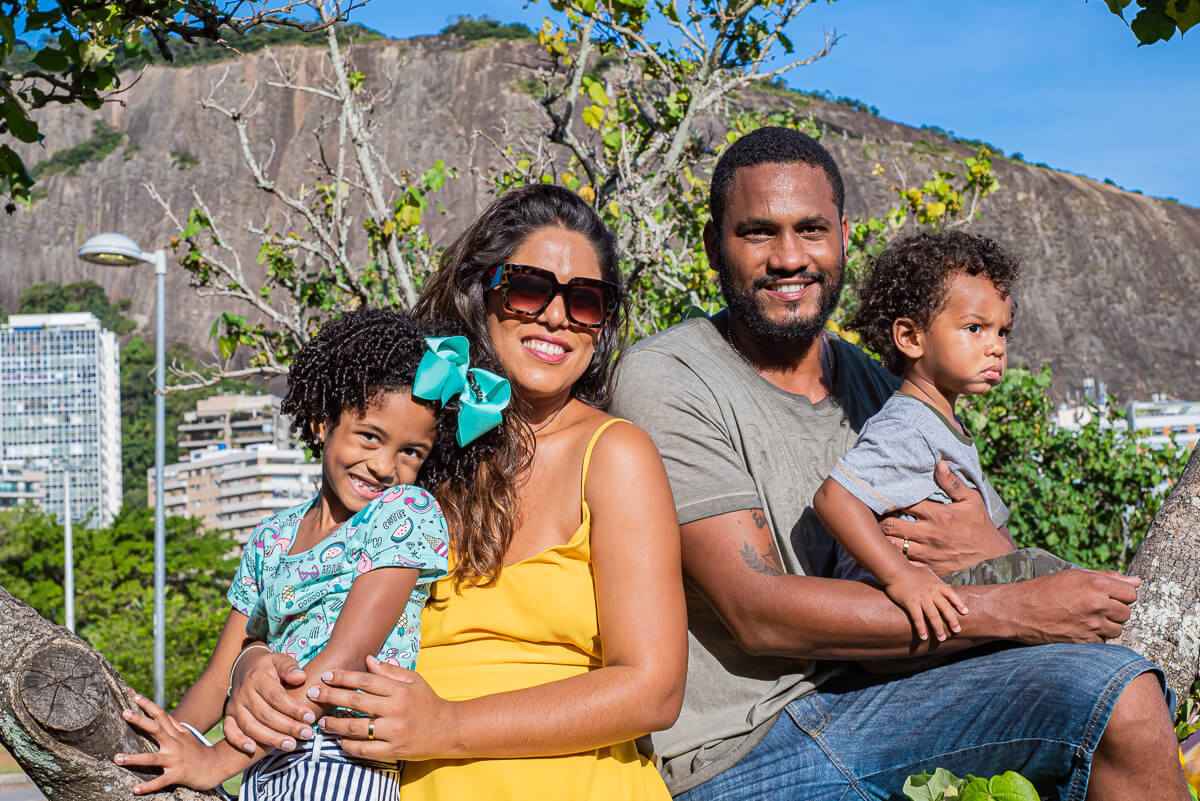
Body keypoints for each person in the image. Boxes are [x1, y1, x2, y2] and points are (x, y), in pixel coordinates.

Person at [609, 126, 1187, 800]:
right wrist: (1014, 608)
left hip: (880, 690)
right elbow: (757, 610)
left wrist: (987, 547)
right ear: (715, 246)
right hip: (750, 739)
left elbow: (970, 543)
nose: (789, 256)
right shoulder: (669, 377)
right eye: (758, 232)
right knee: (1116, 696)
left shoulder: (881, 385)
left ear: (845, 236)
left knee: (1114, 679)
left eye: (812, 229)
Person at [216, 184, 687, 800]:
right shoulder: (410, 453)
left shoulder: (614, 454)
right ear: (479, 293)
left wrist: (448, 726)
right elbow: (297, 591)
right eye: (529, 287)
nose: (555, 316)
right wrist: (250, 668)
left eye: (586, 302)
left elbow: (653, 689)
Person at [112, 309, 519, 798]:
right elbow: (222, 674)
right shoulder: (272, 537)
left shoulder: (404, 514)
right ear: (322, 422)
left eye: (411, 451)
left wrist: (216, 760)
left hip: (341, 759)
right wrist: (165, 742)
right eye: (370, 436)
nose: (385, 465)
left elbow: (342, 663)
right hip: (264, 764)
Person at [813, 231, 1073, 645]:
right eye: (975, 328)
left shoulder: (945, 426)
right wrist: (901, 579)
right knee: (1069, 586)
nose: (996, 348)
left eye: (1002, 332)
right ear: (911, 338)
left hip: (942, 605)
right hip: (902, 614)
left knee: (1062, 583)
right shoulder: (907, 424)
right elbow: (834, 499)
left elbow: (995, 534)